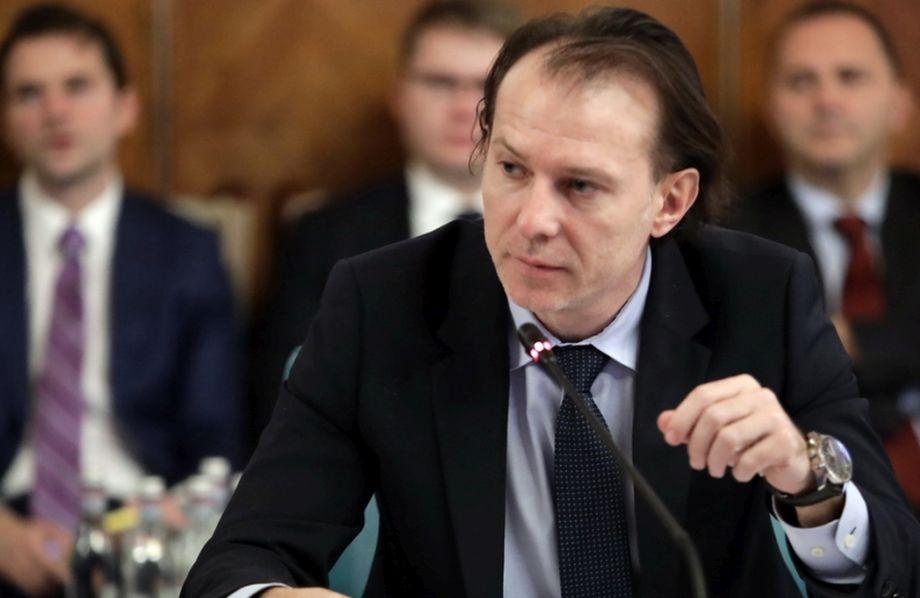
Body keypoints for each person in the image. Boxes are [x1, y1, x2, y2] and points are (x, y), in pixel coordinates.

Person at [186, 7, 920, 598]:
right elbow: (238, 561)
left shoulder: (761, 297)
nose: (532, 220)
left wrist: (808, 480)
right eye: (511, 168)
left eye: (580, 186)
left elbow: (894, 565)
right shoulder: (383, 303)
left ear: (669, 201)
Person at [0, 4, 242, 595]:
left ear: (125, 107)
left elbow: (218, 432)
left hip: (144, 523)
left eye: (77, 86)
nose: (55, 111)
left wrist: (153, 532)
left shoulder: (188, 250)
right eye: (29, 93)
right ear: (6, 119)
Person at [248, 0, 520, 441]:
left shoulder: (561, 228)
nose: (464, 107)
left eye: (486, 86)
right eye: (440, 83)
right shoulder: (324, 235)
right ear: (400, 96)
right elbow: (284, 402)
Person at [725, 1, 920, 510]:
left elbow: (797, 355)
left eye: (850, 77)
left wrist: (851, 340)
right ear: (771, 107)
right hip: (802, 504)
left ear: (900, 102)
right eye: (802, 81)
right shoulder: (726, 236)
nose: (827, 100)